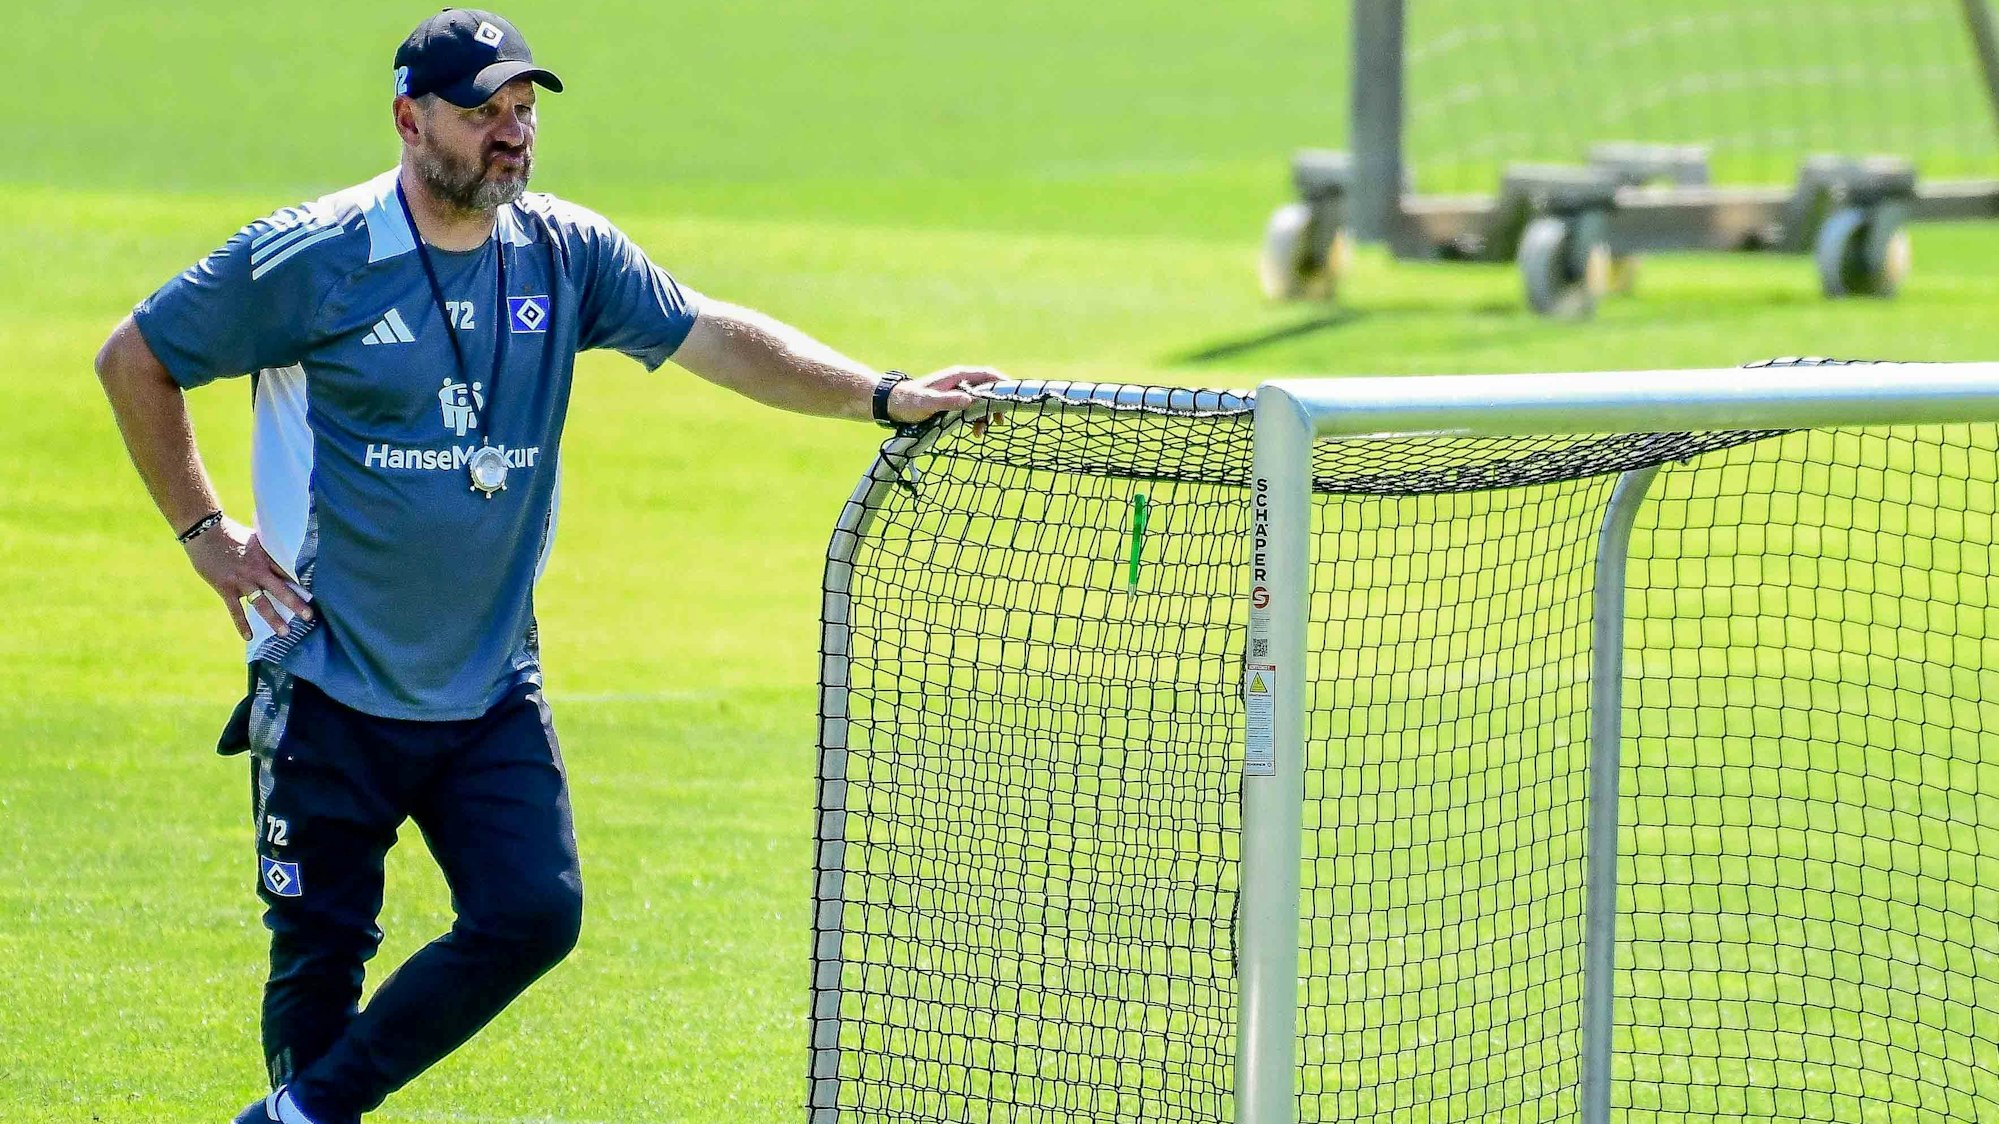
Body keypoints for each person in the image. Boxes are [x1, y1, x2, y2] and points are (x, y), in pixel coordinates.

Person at [90, 10, 1001, 1123]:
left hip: (486, 685)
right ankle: (310, 1103)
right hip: (326, 679)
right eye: (483, 112)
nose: (511, 132)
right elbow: (135, 358)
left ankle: (300, 1113)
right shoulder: (315, 254)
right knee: (319, 963)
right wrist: (204, 532)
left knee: (534, 909)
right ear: (408, 119)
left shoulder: (567, 253)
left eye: (522, 110)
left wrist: (879, 392)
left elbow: (711, 333)